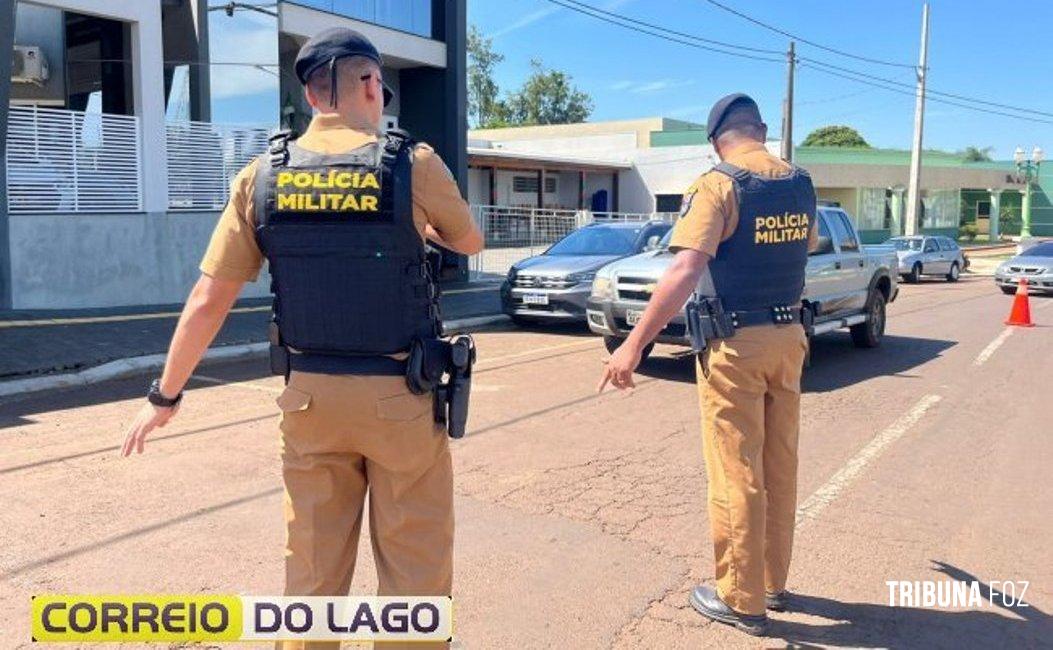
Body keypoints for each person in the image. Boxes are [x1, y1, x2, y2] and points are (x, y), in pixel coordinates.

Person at [121, 27, 483, 649]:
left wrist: (165, 396)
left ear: (314, 97)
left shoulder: (261, 176)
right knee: (414, 575)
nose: (383, 100)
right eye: (380, 88)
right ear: (367, 84)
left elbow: (209, 298)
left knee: (311, 575)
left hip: (309, 401)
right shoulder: (412, 165)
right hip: (400, 394)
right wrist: (414, 227)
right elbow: (470, 242)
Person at [597, 93, 818, 636]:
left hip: (736, 344)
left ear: (716, 139)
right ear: (760, 130)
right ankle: (771, 581)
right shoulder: (802, 183)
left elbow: (685, 269)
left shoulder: (718, 185)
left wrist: (633, 345)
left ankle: (742, 600)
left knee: (736, 469)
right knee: (780, 463)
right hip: (790, 337)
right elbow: (804, 247)